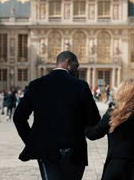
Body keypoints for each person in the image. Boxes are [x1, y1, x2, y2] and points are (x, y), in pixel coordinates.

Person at [13, 51, 100, 180]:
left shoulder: (36, 85)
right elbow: (94, 118)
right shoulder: (80, 85)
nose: (77, 70)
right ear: (69, 63)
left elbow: (18, 117)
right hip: (74, 150)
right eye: (77, 66)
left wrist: (32, 141)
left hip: (46, 149)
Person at [85, 79, 134, 179]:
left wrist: (84, 121)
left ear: (122, 92)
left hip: (116, 169)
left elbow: (93, 134)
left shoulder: (112, 114)